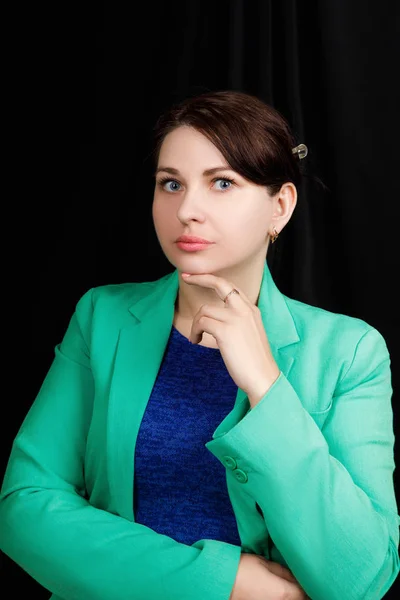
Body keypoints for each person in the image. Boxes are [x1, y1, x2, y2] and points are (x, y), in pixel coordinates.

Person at [0, 90, 399, 600]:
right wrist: (224, 581)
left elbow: (362, 580)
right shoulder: (102, 318)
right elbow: (27, 507)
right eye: (171, 183)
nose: (187, 209)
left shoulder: (349, 352)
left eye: (222, 183)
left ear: (280, 205)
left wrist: (267, 388)